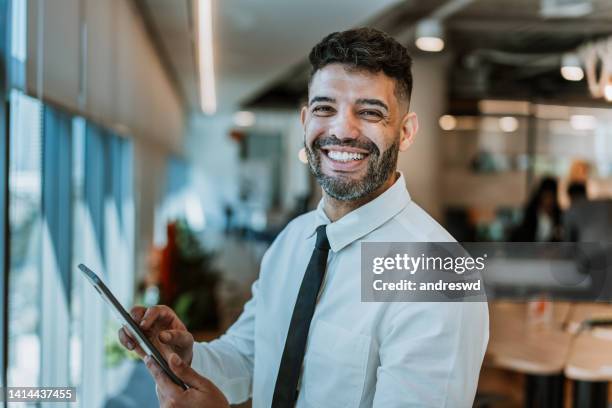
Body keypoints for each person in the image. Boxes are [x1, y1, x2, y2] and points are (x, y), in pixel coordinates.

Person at [119, 27, 489, 407]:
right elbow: (251, 356)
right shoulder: (294, 240)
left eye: (370, 112)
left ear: (406, 132)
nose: (343, 130)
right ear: (305, 121)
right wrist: (187, 355)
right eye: (324, 108)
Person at [511, 177, 562, 242]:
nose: (549, 201)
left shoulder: (558, 217)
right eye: (546, 196)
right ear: (540, 197)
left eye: (551, 197)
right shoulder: (531, 215)